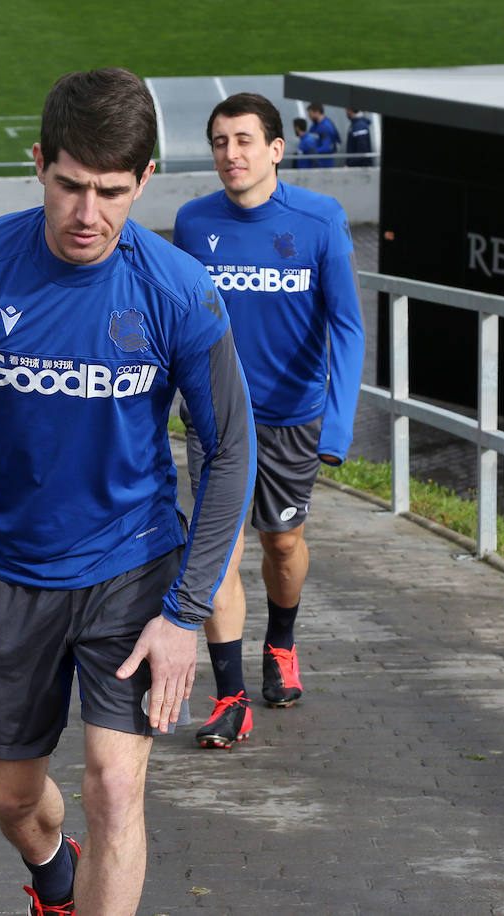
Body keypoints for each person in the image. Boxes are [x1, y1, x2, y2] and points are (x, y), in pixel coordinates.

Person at [0, 68, 254, 915]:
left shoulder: (180, 292)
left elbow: (230, 453)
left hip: (131, 568)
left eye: (112, 192)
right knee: (12, 797)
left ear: (145, 181)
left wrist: (185, 614)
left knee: (116, 785)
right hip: (7, 571)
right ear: (39, 164)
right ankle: (53, 873)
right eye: (71, 186)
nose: (88, 215)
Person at [173, 92, 364, 749]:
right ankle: (229, 698)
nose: (231, 154)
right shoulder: (193, 223)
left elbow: (346, 326)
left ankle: (281, 642)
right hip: (215, 418)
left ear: (276, 149)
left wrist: (338, 428)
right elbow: (181, 323)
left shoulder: (319, 219)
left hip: (292, 420)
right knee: (217, 554)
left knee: (282, 544)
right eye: (221, 141)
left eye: (245, 141)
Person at [306, 102, 341, 168]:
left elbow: (327, 147)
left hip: (324, 164)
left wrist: (313, 151)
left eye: (310, 114)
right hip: (316, 163)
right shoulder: (314, 126)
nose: (309, 116)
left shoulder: (326, 127)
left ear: (317, 112)